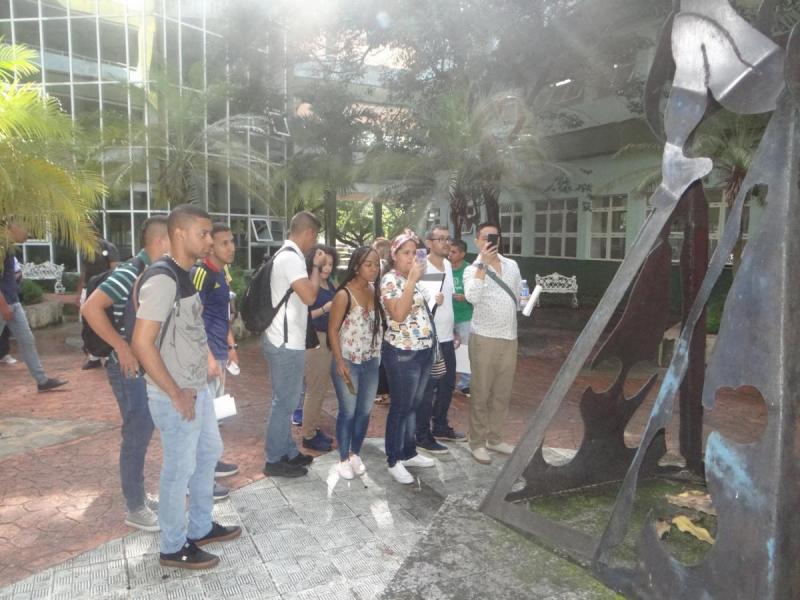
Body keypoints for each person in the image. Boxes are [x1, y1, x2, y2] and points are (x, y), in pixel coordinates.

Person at [131, 204, 240, 570]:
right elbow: (141, 343)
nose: (209, 241)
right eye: (204, 234)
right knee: (178, 469)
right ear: (180, 233)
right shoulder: (163, 278)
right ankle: (173, 546)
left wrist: (207, 360)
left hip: (196, 388)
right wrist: (176, 393)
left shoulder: (186, 273)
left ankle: (201, 526)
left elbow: (189, 329)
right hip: (174, 394)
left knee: (209, 451)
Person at [81, 216, 171, 531]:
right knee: (137, 433)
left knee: (142, 431)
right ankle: (135, 506)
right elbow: (91, 307)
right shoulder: (129, 272)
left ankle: (139, 496)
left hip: (140, 366)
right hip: (127, 368)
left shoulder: (153, 272)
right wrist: (121, 346)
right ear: (161, 241)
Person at [262, 211, 327, 478]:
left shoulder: (288, 256)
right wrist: (315, 267)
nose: (315, 244)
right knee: (285, 403)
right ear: (309, 233)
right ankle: (274, 459)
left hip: (287, 340)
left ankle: (288, 450)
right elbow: (310, 296)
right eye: (315, 237)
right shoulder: (290, 259)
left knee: (288, 400)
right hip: (285, 342)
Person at [380, 230, 440, 484]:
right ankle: (394, 460)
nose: (411, 257)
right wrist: (413, 281)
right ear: (394, 255)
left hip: (423, 349)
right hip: (402, 352)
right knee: (401, 407)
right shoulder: (390, 281)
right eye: (406, 253)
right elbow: (398, 315)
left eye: (415, 252)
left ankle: (409, 451)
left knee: (414, 406)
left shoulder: (414, 278)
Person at [464, 222, 522, 465]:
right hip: (484, 338)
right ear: (477, 241)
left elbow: (518, 295)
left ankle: (495, 437)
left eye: (494, 236)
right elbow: (471, 297)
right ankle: (476, 442)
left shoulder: (512, 265)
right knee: (480, 392)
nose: (490, 241)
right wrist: (483, 266)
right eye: (485, 237)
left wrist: (527, 301)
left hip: (509, 337)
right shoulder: (472, 269)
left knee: (502, 392)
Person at [191, 223, 241, 498]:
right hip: (205, 356)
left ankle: (211, 463)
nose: (230, 247)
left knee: (214, 416)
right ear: (211, 247)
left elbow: (223, 314)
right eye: (224, 243)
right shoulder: (202, 274)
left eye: (231, 241)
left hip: (219, 352)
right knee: (201, 420)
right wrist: (208, 356)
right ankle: (199, 480)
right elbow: (191, 318)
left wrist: (231, 344)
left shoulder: (222, 272)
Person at [327, 246, 383, 479]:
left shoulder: (374, 290)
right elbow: (332, 329)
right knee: (348, 412)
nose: (374, 269)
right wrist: (340, 362)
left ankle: (355, 453)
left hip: (371, 361)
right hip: (349, 360)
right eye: (368, 264)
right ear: (356, 266)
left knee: (364, 411)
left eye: (377, 264)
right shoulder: (344, 295)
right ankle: (342, 458)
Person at [0, 220, 67, 392]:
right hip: (5, 304)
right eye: (24, 227)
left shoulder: (8, 247)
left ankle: (42, 380)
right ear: (10, 226)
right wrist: (4, 306)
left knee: (27, 340)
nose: (27, 232)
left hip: (12, 302)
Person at [417, 226, 465, 453]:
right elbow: (415, 300)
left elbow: (446, 303)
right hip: (428, 338)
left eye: (448, 239)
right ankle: (422, 434)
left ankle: (441, 425)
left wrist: (454, 329)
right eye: (440, 239)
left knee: (447, 385)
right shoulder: (420, 267)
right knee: (428, 388)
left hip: (446, 337)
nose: (446, 243)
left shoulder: (447, 265)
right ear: (429, 242)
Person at [299, 244, 338, 453]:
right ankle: (308, 434)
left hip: (328, 340)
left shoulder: (330, 285)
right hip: (315, 340)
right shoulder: (308, 285)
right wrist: (324, 309)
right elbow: (302, 315)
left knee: (321, 388)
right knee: (314, 390)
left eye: (331, 264)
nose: (327, 268)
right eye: (323, 263)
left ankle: (313, 428)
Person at [77, 236, 120, 370]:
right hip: (90, 287)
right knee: (87, 322)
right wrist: (80, 292)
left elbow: (115, 269)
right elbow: (84, 271)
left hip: (104, 288)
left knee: (105, 321)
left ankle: (108, 356)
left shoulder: (108, 247)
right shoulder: (86, 249)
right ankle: (93, 356)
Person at [449, 239, 472, 396]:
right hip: (448, 316)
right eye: (449, 251)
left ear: (462, 254)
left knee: (464, 349)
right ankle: (447, 381)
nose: (450, 254)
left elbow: (476, 293)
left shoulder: (469, 270)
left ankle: (465, 383)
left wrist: (465, 297)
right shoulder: (445, 268)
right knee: (446, 350)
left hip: (464, 316)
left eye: (454, 252)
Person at [371, 237, 391, 404]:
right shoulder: (390, 267)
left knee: (380, 353)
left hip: (380, 314)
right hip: (387, 314)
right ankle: (386, 391)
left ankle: (381, 390)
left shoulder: (379, 267)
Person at [0, 257, 22, 364]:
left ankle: (3, 353)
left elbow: (18, 272)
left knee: (5, 328)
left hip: (9, 298)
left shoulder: (10, 254)